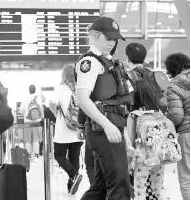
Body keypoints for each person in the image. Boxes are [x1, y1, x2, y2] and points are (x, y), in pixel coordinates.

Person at [75, 16, 132, 200]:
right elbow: (82, 99)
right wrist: (107, 126)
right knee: (120, 185)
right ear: (94, 35)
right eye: (108, 38)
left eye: (114, 39)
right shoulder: (90, 63)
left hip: (110, 127)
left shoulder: (107, 61)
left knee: (101, 187)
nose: (112, 43)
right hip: (103, 130)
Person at [124, 80, 166, 199]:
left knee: (140, 190)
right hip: (160, 156)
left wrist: (129, 164)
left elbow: (131, 142)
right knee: (158, 188)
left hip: (142, 158)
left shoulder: (134, 115)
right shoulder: (159, 113)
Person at [49, 64, 83, 195]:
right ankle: (71, 186)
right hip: (78, 129)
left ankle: (73, 175)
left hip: (63, 129)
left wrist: (57, 115)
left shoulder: (61, 88)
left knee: (59, 155)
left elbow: (52, 102)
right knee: (74, 156)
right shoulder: (79, 88)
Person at [165, 53, 190, 200]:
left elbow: (177, 116)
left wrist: (167, 123)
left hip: (187, 133)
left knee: (186, 174)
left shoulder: (174, 85)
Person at [19, 85, 44, 161]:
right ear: (35, 90)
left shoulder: (25, 99)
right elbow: (41, 108)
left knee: (28, 140)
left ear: (29, 90)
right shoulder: (38, 98)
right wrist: (42, 117)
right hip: (37, 122)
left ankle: (29, 155)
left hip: (27, 123)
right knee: (36, 139)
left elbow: (21, 111)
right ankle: (36, 155)